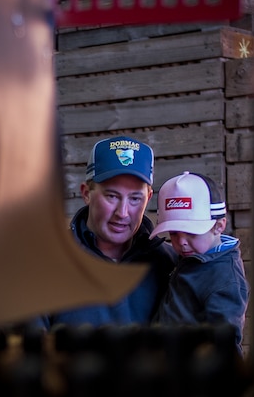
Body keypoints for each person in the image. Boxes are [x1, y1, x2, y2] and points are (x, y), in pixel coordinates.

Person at [30, 135, 178, 330]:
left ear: (148, 198)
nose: (122, 213)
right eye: (112, 196)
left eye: (135, 199)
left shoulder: (170, 264)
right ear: (86, 193)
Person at [149, 171, 250, 356]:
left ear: (219, 225)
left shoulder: (225, 281)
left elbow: (224, 345)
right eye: (173, 233)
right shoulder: (192, 257)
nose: (181, 242)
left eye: (192, 233)